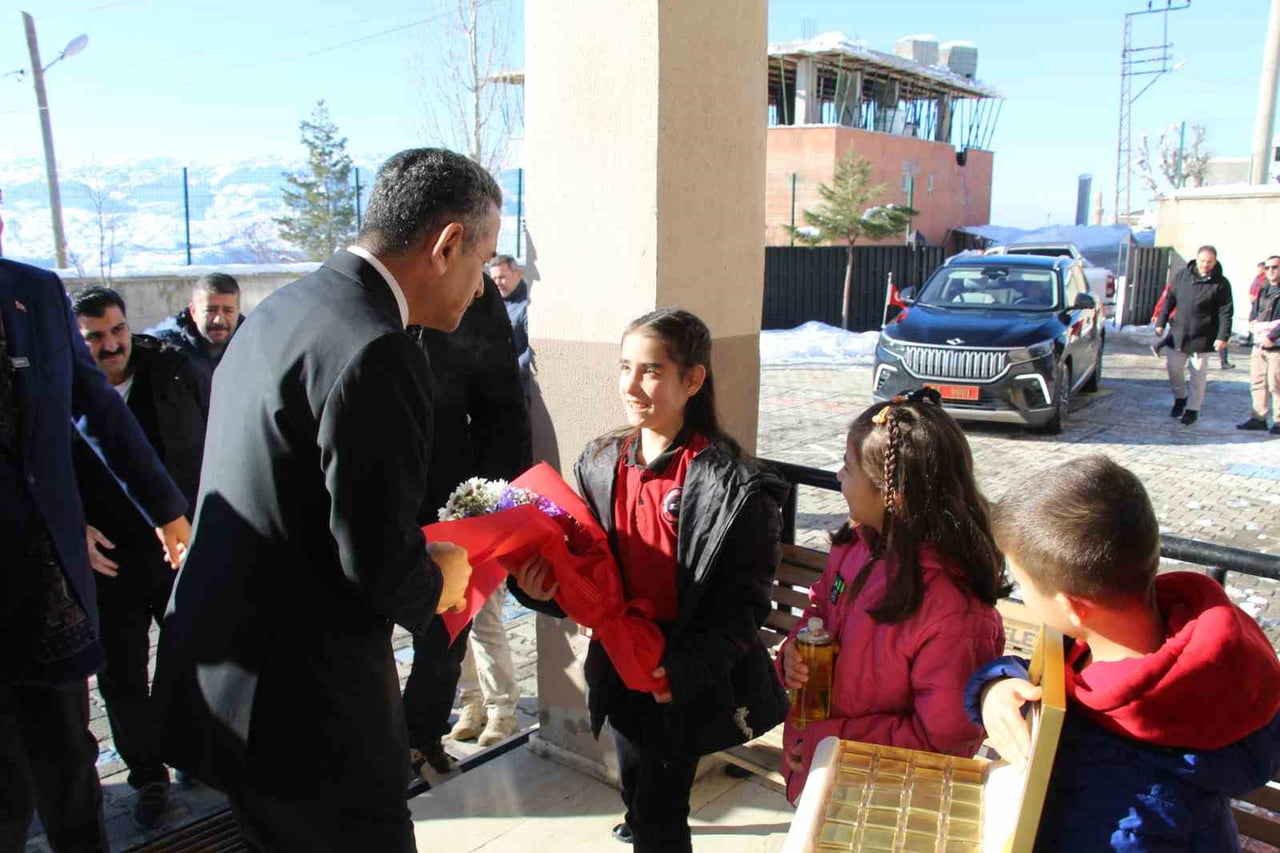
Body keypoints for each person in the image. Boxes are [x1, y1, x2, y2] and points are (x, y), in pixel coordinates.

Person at [153, 148, 496, 853]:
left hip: (229, 684)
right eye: (482, 261)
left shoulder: (286, 306)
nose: (484, 288)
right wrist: (439, 578)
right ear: (447, 244)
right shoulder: (376, 347)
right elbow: (375, 560)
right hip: (306, 714)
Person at [509, 308, 790, 853]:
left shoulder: (737, 488)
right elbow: (580, 568)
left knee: (659, 814)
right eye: (625, 367)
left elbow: (743, 608)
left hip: (679, 679)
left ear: (693, 379)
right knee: (640, 792)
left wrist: (679, 673)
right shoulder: (601, 461)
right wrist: (536, 588)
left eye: (652, 371)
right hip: (618, 667)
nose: (632, 386)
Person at [969, 455, 1280, 851]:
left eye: (1021, 582)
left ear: (1073, 607)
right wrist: (997, 685)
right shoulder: (1118, 644)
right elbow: (1060, 674)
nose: (1021, 593)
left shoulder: (1140, 811)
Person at [0, 259, 190, 853]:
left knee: (67, 759)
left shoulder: (32, 292)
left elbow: (94, 409)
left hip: (47, 583)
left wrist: (167, 508)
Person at [777, 388, 1008, 805]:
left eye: (847, 468)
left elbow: (942, 741)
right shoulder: (857, 543)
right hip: (826, 774)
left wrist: (827, 740)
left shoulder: (952, 610)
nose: (838, 478)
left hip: (881, 797)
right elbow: (821, 607)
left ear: (891, 494)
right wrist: (795, 650)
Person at [70, 285, 210, 829]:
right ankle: (146, 774)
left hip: (176, 549)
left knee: (193, 656)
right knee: (123, 675)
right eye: (95, 338)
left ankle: (194, 754)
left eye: (118, 331)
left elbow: (212, 442)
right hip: (107, 560)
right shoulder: (54, 388)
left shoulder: (174, 371)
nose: (111, 347)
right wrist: (72, 527)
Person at [401, 271, 531, 782]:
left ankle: (421, 737)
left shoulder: (477, 292)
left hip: (450, 496)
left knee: (448, 627)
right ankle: (380, 742)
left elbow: (501, 403)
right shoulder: (380, 284)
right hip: (373, 488)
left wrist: (498, 506)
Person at [1154, 245, 1234, 425]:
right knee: (1173, 368)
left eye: (1209, 262)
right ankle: (1180, 397)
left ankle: (1193, 409)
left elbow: (1226, 312)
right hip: (1179, 333)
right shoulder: (1182, 276)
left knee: (1198, 374)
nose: (1205, 264)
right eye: (1203, 261)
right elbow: (1169, 300)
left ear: (1215, 262)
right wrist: (1161, 322)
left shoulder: (1221, 283)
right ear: (1196, 260)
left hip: (1203, 336)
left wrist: (1223, 336)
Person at [146, 272, 244, 375]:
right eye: (210, 310)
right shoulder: (165, 350)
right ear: (193, 311)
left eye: (228, 311)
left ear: (238, 311)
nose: (219, 320)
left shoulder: (253, 346)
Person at [1239, 255, 1280, 434]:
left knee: (1276, 383)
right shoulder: (1263, 289)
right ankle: (1259, 417)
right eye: (1268, 267)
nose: (1271, 271)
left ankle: (1279, 421)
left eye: (1275, 267)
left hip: (1276, 346)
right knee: (1257, 381)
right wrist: (1252, 324)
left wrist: (1272, 336)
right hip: (1259, 344)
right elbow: (1254, 310)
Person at [488, 254, 531, 400]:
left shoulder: (527, 306)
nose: (497, 283)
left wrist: (510, 373)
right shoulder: (495, 301)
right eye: (494, 279)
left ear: (518, 274)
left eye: (502, 277)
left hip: (518, 391)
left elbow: (531, 350)